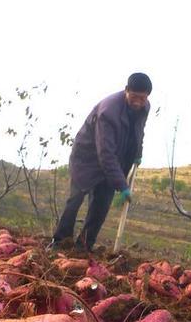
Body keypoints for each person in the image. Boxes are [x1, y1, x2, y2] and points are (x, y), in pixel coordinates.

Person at [51, 72, 151, 252]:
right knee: (76, 198)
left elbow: (139, 132)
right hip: (87, 158)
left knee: (101, 205)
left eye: (142, 98)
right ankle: (60, 242)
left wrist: (138, 152)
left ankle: (84, 247)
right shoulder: (109, 111)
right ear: (126, 90)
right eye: (134, 97)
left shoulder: (144, 107)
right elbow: (105, 153)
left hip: (115, 160)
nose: (138, 102)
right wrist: (122, 185)